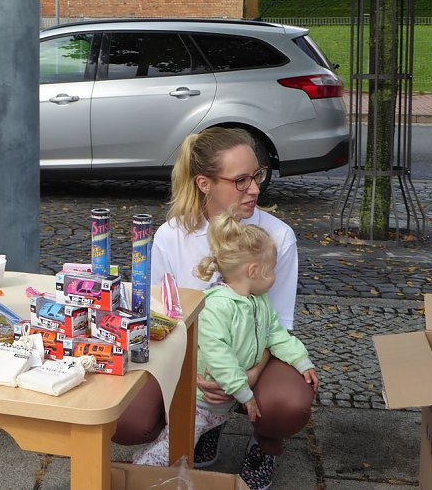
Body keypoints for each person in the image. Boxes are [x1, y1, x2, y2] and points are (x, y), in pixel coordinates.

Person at [116, 127, 313, 488]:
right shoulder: (170, 237)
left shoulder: (277, 237)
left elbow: (278, 324)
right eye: (240, 180)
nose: (254, 189)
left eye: (257, 175)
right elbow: (157, 322)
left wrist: (249, 375)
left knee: (287, 404)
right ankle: (200, 423)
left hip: (255, 352)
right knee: (126, 418)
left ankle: (263, 444)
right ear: (204, 183)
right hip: (188, 355)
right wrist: (195, 375)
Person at [132, 211, 319, 490]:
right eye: (271, 270)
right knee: (177, 442)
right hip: (200, 399)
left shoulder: (258, 300)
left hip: (223, 398)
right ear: (253, 271)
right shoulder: (218, 306)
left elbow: (275, 334)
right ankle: (140, 473)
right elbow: (219, 356)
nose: (275, 277)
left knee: (190, 436)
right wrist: (243, 392)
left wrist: (302, 361)